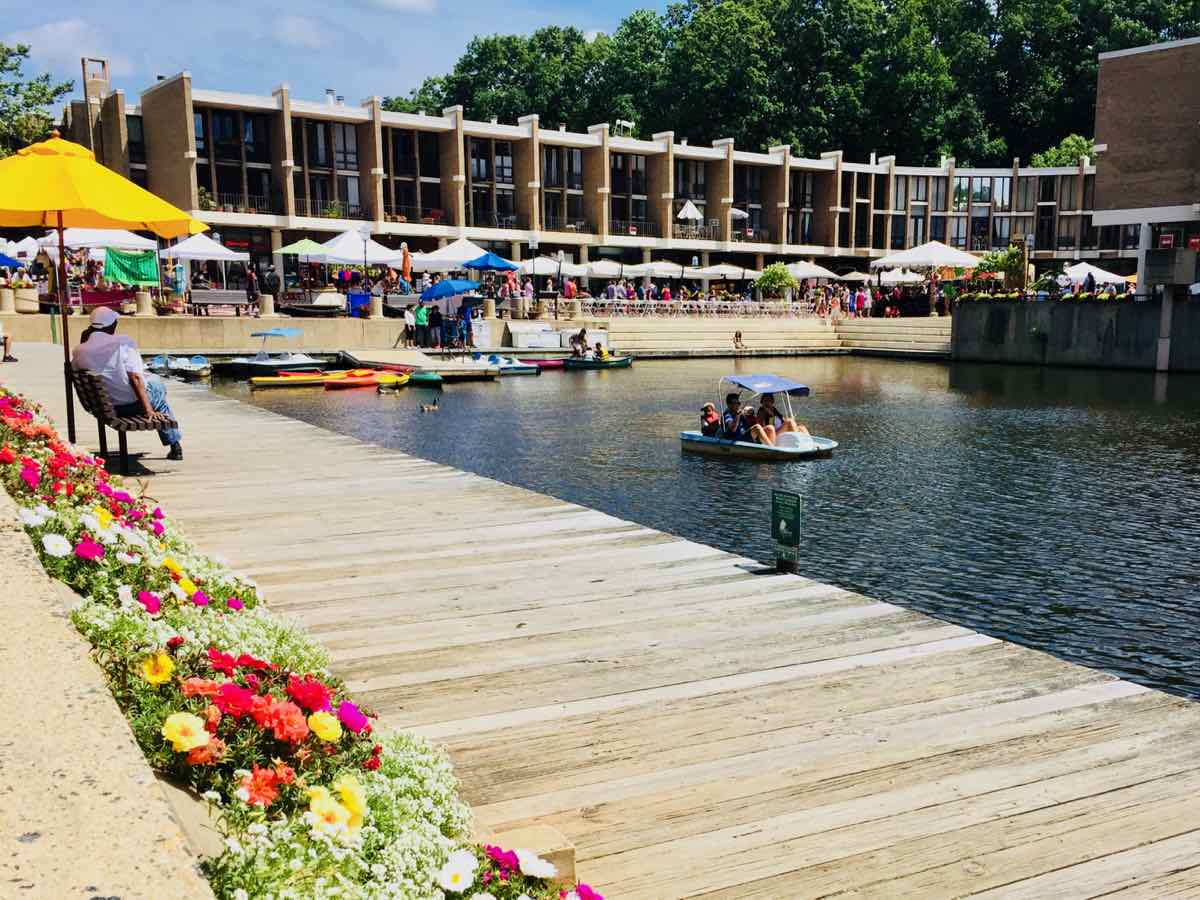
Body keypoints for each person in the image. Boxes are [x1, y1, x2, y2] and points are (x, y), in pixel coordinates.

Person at [72, 308, 182, 460]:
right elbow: (135, 378)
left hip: (104, 407)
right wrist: (149, 411)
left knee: (155, 389)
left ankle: (174, 445)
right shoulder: (123, 342)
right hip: (129, 407)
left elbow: (76, 370)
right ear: (112, 325)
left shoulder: (79, 350)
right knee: (157, 387)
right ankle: (174, 445)